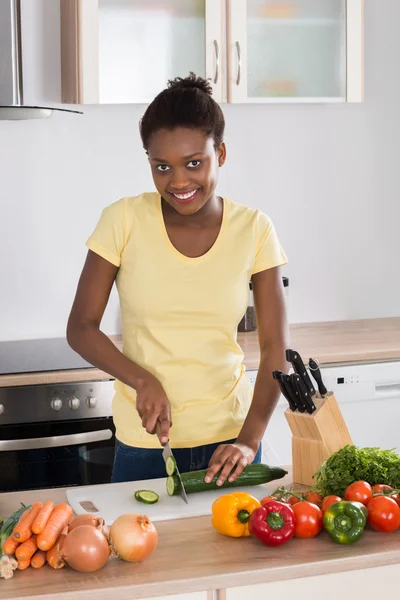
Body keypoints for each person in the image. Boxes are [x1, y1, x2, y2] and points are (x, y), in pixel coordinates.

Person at [67, 73, 289, 487]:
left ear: (220, 153)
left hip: (232, 442)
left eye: (194, 163)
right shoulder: (123, 220)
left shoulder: (255, 228)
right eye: (162, 167)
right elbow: (80, 328)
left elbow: (276, 346)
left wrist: (249, 439)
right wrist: (141, 379)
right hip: (146, 442)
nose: (180, 181)